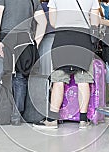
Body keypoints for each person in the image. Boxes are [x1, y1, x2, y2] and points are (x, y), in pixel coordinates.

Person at [33, 0, 100, 129]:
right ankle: (83, 120)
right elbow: (95, 22)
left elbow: (53, 22)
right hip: (83, 39)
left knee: (58, 79)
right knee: (83, 80)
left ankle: (52, 120)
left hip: (62, 39)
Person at [0, 0, 47, 125]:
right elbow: (43, 22)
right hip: (25, 39)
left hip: (6, 37)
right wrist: (36, 41)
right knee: (20, 78)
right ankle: (16, 116)